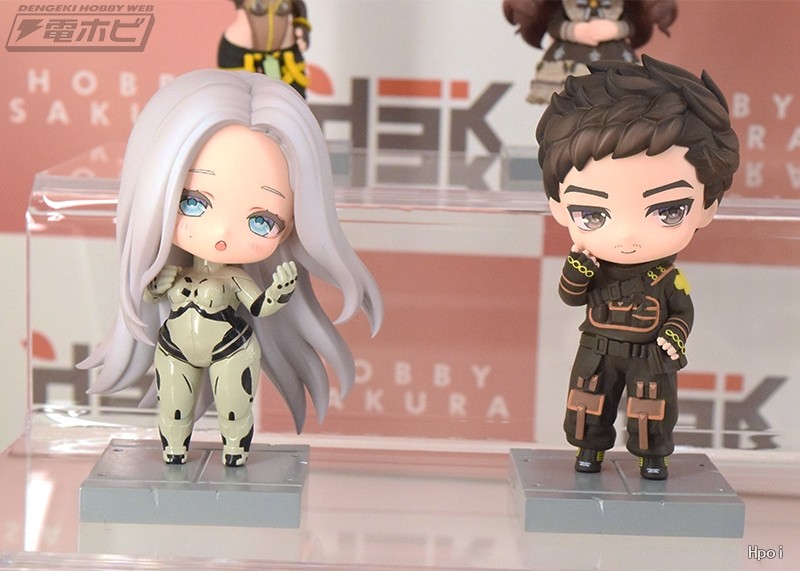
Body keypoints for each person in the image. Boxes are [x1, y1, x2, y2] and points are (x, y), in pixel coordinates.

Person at [79, 70, 382, 466]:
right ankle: (174, 450)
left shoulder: (236, 278)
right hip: (174, 346)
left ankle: (235, 450)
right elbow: (150, 293)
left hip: (231, 347)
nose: (221, 233)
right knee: (174, 408)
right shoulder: (175, 274)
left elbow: (258, 307)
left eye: (262, 220)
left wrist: (278, 292)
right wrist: (155, 285)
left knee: (234, 409)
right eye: (193, 202)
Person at [536, 56, 739, 479]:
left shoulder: (668, 277)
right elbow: (571, 296)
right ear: (558, 206)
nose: (628, 236)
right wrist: (577, 268)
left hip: (650, 354)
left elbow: (682, 310)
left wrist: (673, 336)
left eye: (668, 211)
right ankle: (588, 452)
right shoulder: (592, 263)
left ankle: (652, 457)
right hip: (598, 348)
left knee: (651, 412)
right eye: (593, 214)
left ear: (707, 206)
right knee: (587, 404)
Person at [503, 0, 677, 103]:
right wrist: (574, 31)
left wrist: (616, 29)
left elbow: (630, 23)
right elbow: (554, 23)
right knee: (566, 104)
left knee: (613, 102)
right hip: (570, 58)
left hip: (613, 57)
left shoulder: (619, 5)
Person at [218, 0, 312, 97]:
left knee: (292, 97)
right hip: (240, 54)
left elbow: (298, 5)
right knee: (237, 96)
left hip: (285, 56)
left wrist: (301, 25)